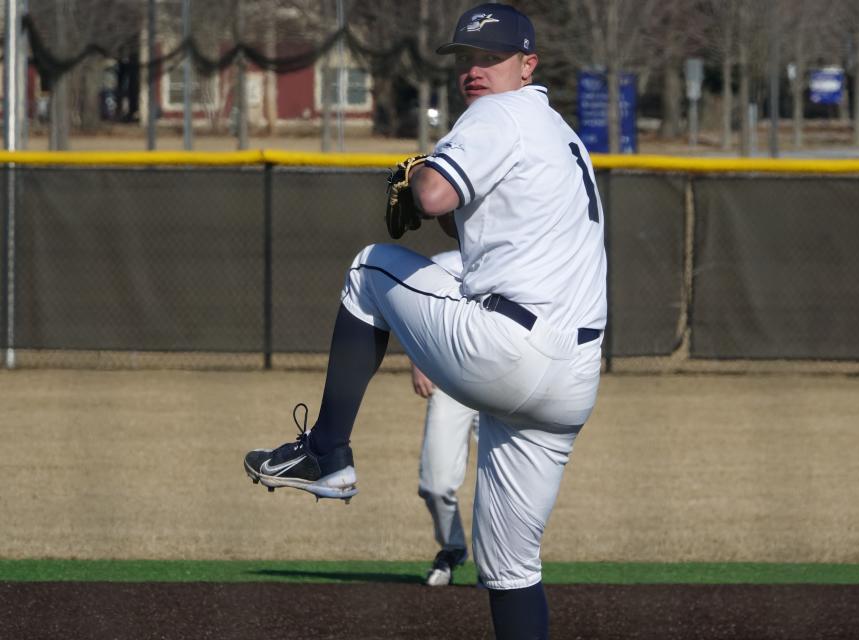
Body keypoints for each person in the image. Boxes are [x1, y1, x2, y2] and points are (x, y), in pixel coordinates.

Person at [244, 4, 606, 638]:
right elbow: (470, 222)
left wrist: (420, 177)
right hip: (572, 379)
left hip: (511, 348)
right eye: (465, 57)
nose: (474, 70)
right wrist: (438, 199)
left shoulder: (498, 113)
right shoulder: (561, 134)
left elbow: (436, 193)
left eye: (490, 58)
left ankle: (326, 453)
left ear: (528, 65)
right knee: (512, 570)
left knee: (367, 271)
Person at [412, 251, 481, 588]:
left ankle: (501, 563)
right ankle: (452, 548)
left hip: (509, 382)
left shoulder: (524, 256)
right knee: (434, 484)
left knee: (501, 483)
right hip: (452, 377)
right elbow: (415, 309)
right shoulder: (447, 262)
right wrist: (419, 358)